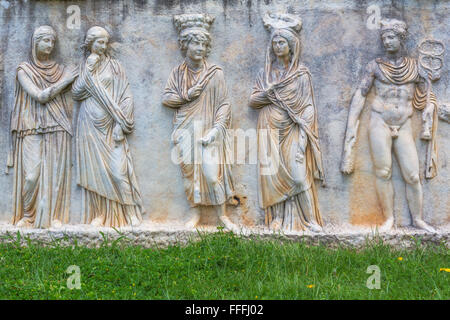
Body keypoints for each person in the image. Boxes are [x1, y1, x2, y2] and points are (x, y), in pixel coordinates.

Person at [341, 19, 437, 232]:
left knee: (412, 174)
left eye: (392, 37)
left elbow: (427, 95)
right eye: (384, 38)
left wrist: (430, 107)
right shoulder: (374, 66)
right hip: (379, 121)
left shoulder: (415, 66)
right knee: (383, 171)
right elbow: (361, 94)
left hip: (404, 123)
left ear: (401, 39)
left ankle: (418, 219)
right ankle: (389, 219)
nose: (387, 41)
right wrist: (350, 127)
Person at [249, 14, 325, 232]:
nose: (277, 46)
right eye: (274, 42)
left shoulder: (301, 75)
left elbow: (309, 107)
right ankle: (278, 219)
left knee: (299, 176)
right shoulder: (265, 74)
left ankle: (310, 220)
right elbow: (253, 101)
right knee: (273, 175)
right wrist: (267, 94)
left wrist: (303, 140)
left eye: (282, 42)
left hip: (293, 128)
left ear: (291, 46)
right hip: (269, 127)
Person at [162, 14, 236, 228]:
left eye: (204, 44)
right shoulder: (177, 73)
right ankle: (195, 214)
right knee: (189, 173)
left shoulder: (215, 73)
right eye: (195, 43)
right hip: (185, 128)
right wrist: (187, 95)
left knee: (212, 175)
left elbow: (224, 104)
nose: (200, 48)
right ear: (185, 45)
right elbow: (167, 99)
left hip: (210, 130)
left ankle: (222, 215)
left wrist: (216, 130)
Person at [72, 26, 143, 227]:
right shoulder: (85, 65)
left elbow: (127, 96)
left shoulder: (115, 67)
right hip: (88, 125)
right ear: (90, 44)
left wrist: (122, 124)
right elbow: (77, 93)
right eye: (98, 42)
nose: (102, 46)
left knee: (118, 171)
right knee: (95, 171)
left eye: (105, 42)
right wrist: (88, 70)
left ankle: (130, 211)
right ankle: (101, 214)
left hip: (112, 124)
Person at [8, 26, 77, 228]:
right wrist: (66, 81)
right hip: (32, 126)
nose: (50, 45)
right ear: (35, 42)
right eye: (46, 41)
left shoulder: (60, 69)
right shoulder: (24, 70)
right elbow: (40, 96)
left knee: (55, 175)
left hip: (58, 124)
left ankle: (53, 215)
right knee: (31, 176)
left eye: (52, 42)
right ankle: (29, 215)